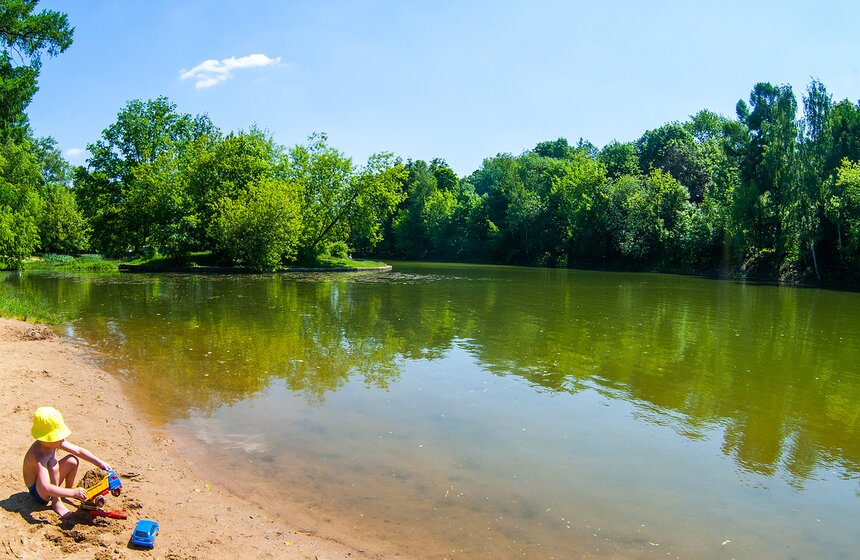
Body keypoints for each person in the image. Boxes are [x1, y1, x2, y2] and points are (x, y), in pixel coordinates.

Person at [22, 406, 112, 518]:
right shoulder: (40, 455)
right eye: (57, 436)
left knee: (72, 460)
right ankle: (56, 501)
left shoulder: (53, 442)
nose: (62, 439)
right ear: (47, 438)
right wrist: (73, 493)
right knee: (53, 464)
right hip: (38, 492)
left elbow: (78, 451)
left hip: (48, 484)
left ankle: (66, 491)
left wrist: (99, 462)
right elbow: (45, 487)